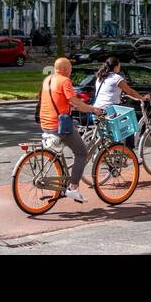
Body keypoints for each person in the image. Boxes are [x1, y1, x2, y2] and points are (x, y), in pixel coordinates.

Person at [39, 57, 103, 203]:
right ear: (66, 70)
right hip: (58, 126)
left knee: (73, 123)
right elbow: (74, 102)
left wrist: (74, 104)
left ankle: (65, 174)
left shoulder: (48, 79)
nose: (71, 71)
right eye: (71, 69)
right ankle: (73, 188)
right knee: (82, 153)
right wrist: (93, 109)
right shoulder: (65, 80)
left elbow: (60, 99)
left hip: (45, 123)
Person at [92, 56, 150, 151]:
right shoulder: (116, 78)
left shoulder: (100, 77)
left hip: (96, 109)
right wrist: (142, 98)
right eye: (119, 65)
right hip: (109, 110)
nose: (120, 67)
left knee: (112, 130)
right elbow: (130, 91)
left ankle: (114, 149)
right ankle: (129, 150)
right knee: (130, 122)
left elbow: (108, 92)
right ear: (115, 66)